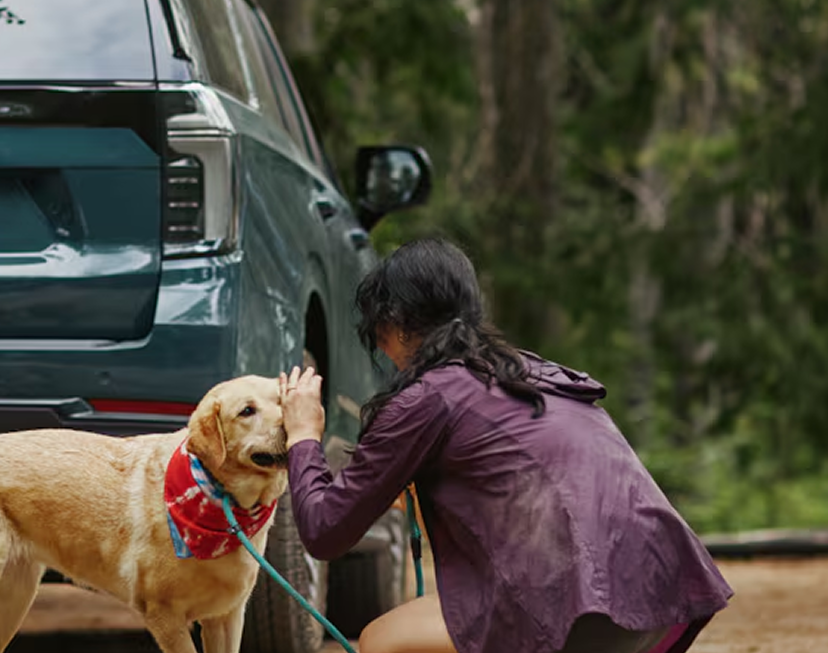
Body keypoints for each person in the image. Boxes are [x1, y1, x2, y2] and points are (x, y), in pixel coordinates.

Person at [277, 238, 733, 653]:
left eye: (376, 332)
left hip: (582, 607)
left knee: (383, 640)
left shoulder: (428, 396)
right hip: (659, 596)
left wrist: (302, 435)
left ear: (394, 322)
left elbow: (323, 530)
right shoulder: (529, 373)